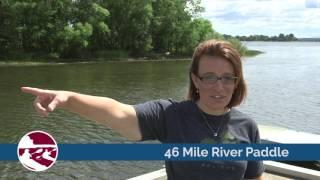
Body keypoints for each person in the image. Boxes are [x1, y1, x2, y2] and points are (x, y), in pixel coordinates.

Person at [21, 39, 264, 179]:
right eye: (209, 77)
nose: (218, 86)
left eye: (227, 77)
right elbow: (119, 112)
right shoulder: (171, 115)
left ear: (236, 81)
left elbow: (254, 177)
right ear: (196, 80)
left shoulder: (247, 127)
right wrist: (69, 98)